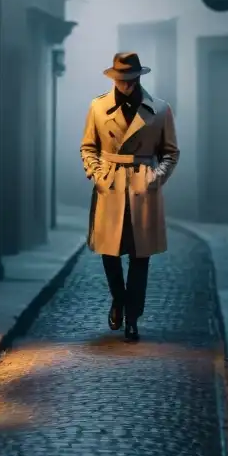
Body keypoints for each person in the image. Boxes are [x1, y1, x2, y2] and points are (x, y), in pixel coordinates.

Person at [79, 52, 179, 342]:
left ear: (138, 77)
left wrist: (155, 177)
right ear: (114, 78)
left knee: (140, 256)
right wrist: (97, 175)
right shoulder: (98, 107)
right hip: (110, 185)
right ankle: (118, 300)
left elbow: (171, 152)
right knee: (109, 252)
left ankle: (133, 317)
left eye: (131, 79)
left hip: (141, 186)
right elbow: (88, 147)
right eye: (121, 79)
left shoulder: (159, 109)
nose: (126, 85)